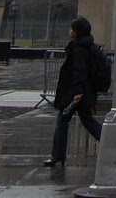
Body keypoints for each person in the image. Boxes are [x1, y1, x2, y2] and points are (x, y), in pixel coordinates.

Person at [44, 17, 103, 167]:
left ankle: (57, 155)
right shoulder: (87, 47)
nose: (69, 31)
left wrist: (77, 93)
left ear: (77, 32)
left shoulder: (78, 49)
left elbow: (79, 73)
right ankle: (111, 143)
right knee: (88, 121)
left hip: (76, 93)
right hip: (83, 92)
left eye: (72, 28)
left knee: (62, 120)